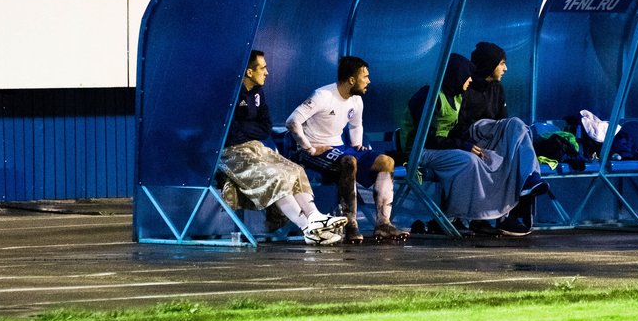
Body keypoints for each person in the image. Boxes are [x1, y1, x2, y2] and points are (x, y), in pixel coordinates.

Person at [400, 52, 541, 235]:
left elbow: (455, 130)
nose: (470, 80)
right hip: (420, 151)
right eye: (467, 76)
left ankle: (480, 216)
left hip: (440, 147)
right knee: (468, 161)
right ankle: (452, 217)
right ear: (456, 75)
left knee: (483, 158)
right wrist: (463, 145)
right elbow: (427, 138)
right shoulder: (429, 96)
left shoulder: (456, 96)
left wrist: (472, 145)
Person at [218, 50, 347, 245]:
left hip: (256, 147)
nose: (267, 72)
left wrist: (245, 127)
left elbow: (265, 128)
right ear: (249, 72)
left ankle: (315, 217)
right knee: (276, 176)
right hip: (230, 154)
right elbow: (231, 130)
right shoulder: (230, 93)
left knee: (295, 170)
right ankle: (307, 228)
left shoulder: (258, 92)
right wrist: (247, 128)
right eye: (263, 68)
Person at [286, 55, 408, 244]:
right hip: (314, 150)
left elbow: (355, 125)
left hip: (340, 148)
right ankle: (350, 224)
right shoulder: (322, 96)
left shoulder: (356, 100)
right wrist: (309, 148)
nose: (369, 81)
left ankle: (383, 224)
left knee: (387, 162)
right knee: (349, 161)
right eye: (365, 77)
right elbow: (292, 121)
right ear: (352, 80)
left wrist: (357, 143)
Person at [457, 39, 546, 232]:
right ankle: (531, 178)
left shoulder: (498, 88)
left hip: (493, 139)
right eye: (502, 63)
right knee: (516, 125)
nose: (505, 69)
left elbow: (502, 122)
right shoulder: (466, 87)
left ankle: (509, 214)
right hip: (472, 139)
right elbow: (460, 126)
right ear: (489, 64)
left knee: (512, 155)